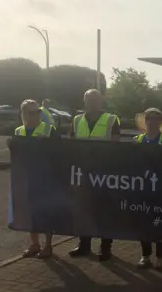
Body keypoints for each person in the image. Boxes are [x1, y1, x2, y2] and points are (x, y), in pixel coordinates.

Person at [69, 89, 121, 262]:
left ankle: (105, 248)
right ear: (84, 101)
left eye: (95, 99)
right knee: (85, 210)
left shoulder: (112, 120)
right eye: (89, 99)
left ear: (101, 102)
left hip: (104, 174)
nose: (92, 102)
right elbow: (71, 145)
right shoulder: (76, 120)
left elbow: (115, 146)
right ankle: (84, 245)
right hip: (83, 173)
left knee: (105, 211)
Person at [134, 108, 162, 269]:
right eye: (149, 118)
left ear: (160, 121)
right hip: (143, 188)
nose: (152, 121)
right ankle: (145, 255)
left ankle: (161, 257)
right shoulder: (138, 140)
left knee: (161, 223)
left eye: (156, 118)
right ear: (145, 121)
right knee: (143, 224)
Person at [15, 99, 57, 258]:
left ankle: (48, 246)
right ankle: (35, 244)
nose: (37, 115)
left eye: (39, 111)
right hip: (27, 179)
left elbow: (60, 153)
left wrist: (48, 145)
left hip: (46, 178)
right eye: (33, 112)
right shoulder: (19, 131)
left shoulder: (49, 129)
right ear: (24, 114)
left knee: (46, 212)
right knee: (30, 212)